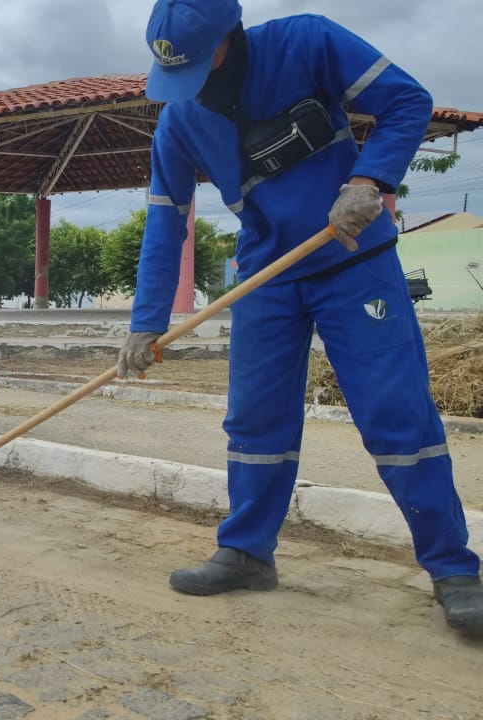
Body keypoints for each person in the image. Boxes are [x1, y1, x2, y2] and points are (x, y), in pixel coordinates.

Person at [122, 0, 482, 636]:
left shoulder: (306, 42)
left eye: (201, 67)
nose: (190, 88)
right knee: (255, 419)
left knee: (395, 411)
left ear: (228, 41)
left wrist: (370, 178)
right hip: (267, 276)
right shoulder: (179, 122)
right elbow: (165, 218)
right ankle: (246, 553)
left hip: (352, 260)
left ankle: (454, 570)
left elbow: (407, 100)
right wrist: (146, 322)